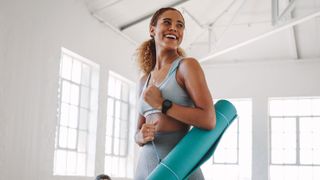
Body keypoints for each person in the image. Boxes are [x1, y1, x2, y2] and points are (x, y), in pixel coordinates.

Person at [134, 7, 216, 180]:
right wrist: (141, 136)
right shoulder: (143, 81)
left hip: (179, 164)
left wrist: (162, 104)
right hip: (145, 167)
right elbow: (137, 131)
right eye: (167, 22)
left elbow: (209, 119)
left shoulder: (187, 67)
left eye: (180, 25)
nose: (174, 28)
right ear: (152, 29)